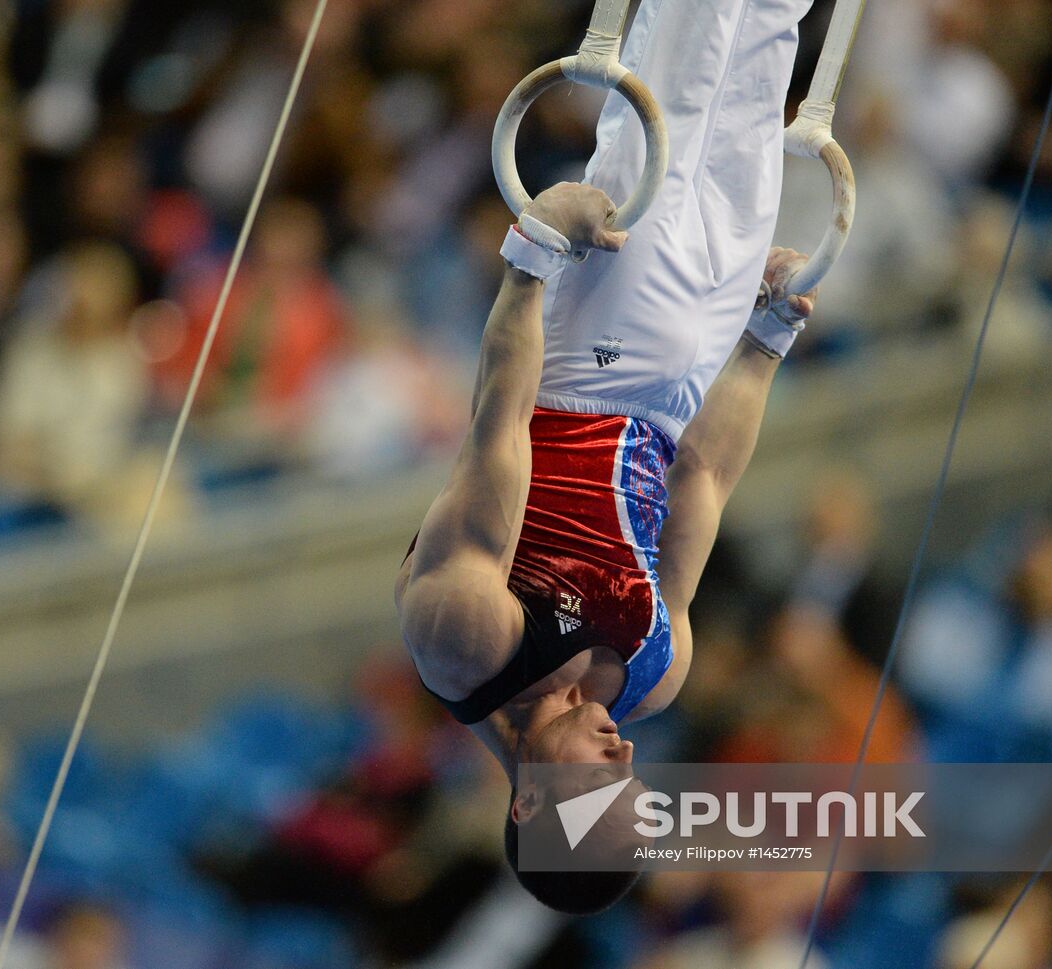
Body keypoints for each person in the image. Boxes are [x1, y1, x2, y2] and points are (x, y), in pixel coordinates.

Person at [396, 0, 818, 913]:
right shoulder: (655, 677)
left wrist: (533, 257)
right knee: (763, 52)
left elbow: (498, 429)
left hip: (591, 353)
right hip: (690, 379)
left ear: (528, 800)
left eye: (600, 781)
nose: (624, 753)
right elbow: (704, 480)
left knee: (693, 54)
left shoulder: (465, 642)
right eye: (632, 779)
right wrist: (764, 342)